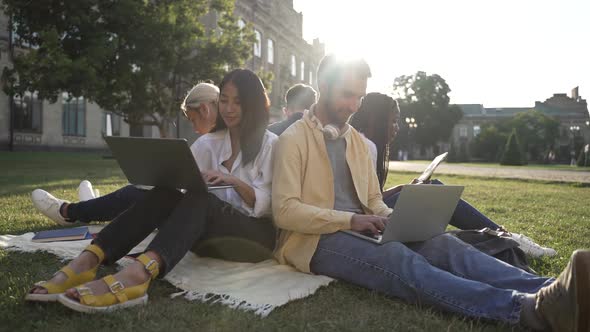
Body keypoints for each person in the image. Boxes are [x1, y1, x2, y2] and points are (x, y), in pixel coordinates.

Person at [271, 54, 589, 331]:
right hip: (315, 242)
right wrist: (351, 220)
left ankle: (557, 292)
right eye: (346, 95)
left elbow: (373, 202)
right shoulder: (293, 139)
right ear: (323, 86)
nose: (354, 106)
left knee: (444, 244)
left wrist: (395, 219)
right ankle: (529, 310)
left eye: (360, 97)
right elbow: (284, 211)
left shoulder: (355, 141)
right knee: (397, 258)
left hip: (363, 229)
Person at [26, 69, 278, 313]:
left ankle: (138, 274)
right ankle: (88, 260)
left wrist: (231, 179)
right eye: (224, 100)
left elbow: (269, 206)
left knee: (204, 199)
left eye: (238, 102)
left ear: (253, 104)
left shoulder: (270, 144)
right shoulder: (208, 144)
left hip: (253, 239)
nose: (229, 108)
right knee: (166, 193)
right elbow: (182, 188)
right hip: (209, 239)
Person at [349, 92, 557, 258]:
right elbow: (361, 203)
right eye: (393, 121)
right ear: (374, 120)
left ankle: (504, 235)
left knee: (432, 188)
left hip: (370, 216)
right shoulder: (366, 146)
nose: (397, 128)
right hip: (367, 224)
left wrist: (403, 188)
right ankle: (506, 236)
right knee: (435, 190)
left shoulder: (364, 142)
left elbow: (370, 194)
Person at [31, 82, 220, 226]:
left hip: (201, 216)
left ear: (204, 109)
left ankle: (68, 212)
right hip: (200, 210)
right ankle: (91, 205)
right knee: (143, 193)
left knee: (137, 194)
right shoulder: (218, 139)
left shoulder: (209, 142)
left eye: (193, 120)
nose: (194, 128)